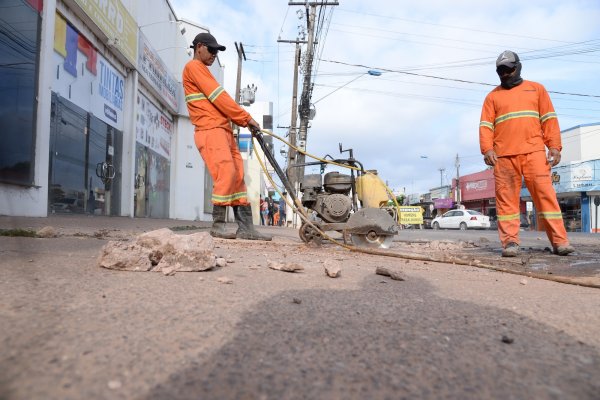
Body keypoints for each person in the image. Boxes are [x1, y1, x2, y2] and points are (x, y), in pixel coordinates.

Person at [479, 50, 574, 257]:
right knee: (507, 204)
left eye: (509, 69)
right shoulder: (492, 97)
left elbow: (549, 120)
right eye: (501, 71)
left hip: (534, 153)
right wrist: (487, 149)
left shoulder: (537, 90)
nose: (505, 74)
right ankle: (510, 243)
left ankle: (560, 242)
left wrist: (555, 146)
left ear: (518, 67)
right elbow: (486, 126)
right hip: (504, 158)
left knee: (546, 198)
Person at [182, 32, 270, 241]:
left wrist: (241, 121)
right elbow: (219, 98)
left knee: (238, 177)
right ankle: (218, 225)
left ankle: (246, 228)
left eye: (216, 52)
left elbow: (219, 100)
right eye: (211, 50)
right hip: (209, 130)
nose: (214, 55)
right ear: (199, 47)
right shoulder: (193, 67)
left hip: (223, 130)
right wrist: (246, 118)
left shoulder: (203, 70)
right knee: (227, 173)